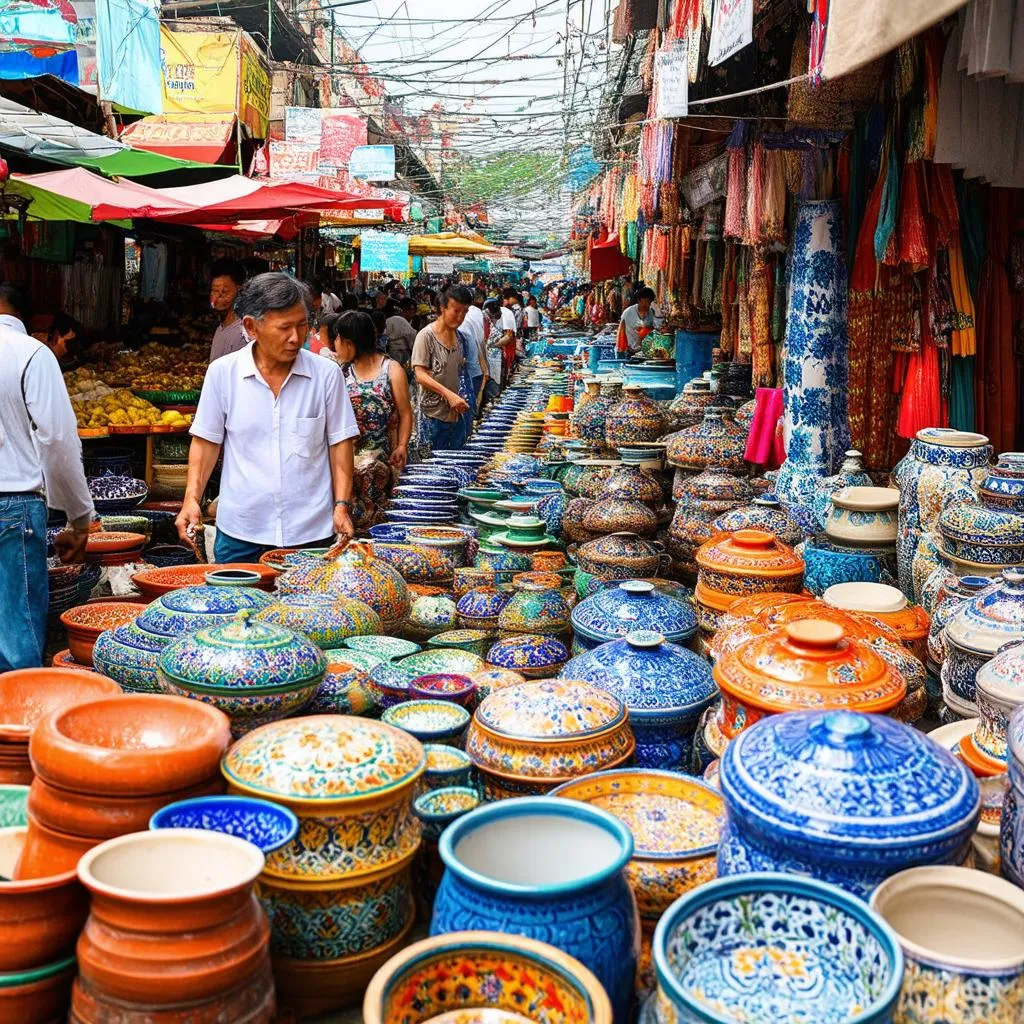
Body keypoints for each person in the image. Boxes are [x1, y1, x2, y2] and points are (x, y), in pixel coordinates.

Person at [177, 273, 359, 562]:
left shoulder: (326, 375)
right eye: (284, 327)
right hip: (240, 531)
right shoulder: (223, 373)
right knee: (237, 605)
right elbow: (206, 442)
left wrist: (341, 505)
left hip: (311, 533)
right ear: (251, 326)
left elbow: (340, 443)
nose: (296, 338)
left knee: (305, 608)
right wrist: (191, 500)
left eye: (302, 325)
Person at [0, 285, 94, 670]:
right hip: (13, 502)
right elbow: (56, 439)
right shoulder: (31, 353)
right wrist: (78, 517)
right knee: (15, 637)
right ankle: (16, 726)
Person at [329, 311, 412, 531]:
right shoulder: (341, 372)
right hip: (347, 465)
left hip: (382, 464)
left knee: (378, 524)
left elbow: (405, 413)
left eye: (337, 339)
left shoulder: (391, 370)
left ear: (349, 342)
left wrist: (402, 446)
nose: (335, 344)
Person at [411, 285, 471, 450]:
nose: (460, 317)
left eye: (464, 312)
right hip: (432, 417)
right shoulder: (426, 336)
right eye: (456, 311)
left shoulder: (461, 339)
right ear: (443, 308)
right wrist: (448, 395)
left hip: (455, 416)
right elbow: (420, 375)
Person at [208, 259, 247, 362]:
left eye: (224, 292)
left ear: (239, 290)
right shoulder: (220, 328)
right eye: (214, 291)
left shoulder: (241, 335)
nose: (217, 298)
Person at [620, 286, 657, 354]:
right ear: (639, 300)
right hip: (628, 349)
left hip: (643, 350)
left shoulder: (651, 312)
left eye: (648, 302)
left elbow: (653, 328)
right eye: (644, 302)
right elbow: (621, 332)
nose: (646, 305)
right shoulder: (628, 313)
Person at [386, 297, 418, 367]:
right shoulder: (401, 321)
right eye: (413, 311)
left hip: (389, 356)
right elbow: (412, 345)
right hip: (401, 355)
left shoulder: (389, 320)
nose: (414, 314)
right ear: (409, 311)